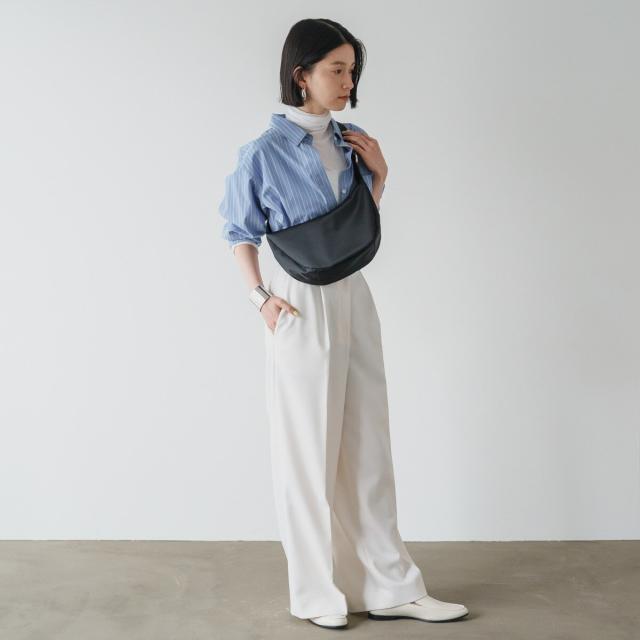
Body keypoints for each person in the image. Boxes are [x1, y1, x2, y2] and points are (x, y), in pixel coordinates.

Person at [218, 18, 469, 631]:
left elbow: (356, 230)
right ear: (300, 74)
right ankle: (315, 593)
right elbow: (238, 231)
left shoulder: (353, 142)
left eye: (352, 70)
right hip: (296, 299)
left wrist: (380, 176)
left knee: (368, 444)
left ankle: (392, 587)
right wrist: (260, 299)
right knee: (307, 451)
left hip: (353, 293)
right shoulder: (262, 153)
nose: (347, 81)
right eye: (336, 69)